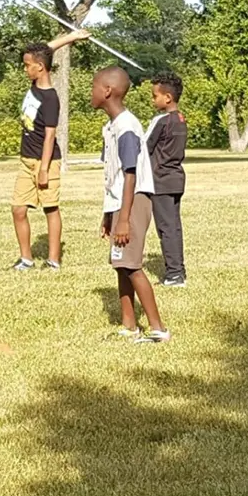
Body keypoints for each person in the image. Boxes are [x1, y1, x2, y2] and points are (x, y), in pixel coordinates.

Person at [94, 66, 169, 343]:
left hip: (133, 202)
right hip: (119, 204)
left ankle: (158, 328)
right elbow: (111, 176)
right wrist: (108, 216)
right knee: (120, 263)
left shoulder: (127, 127)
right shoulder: (111, 126)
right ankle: (129, 325)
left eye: (93, 87)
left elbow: (130, 175)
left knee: (133, 264)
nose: (90, 93)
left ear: (107, 91)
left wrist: (124, 219)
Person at [10, 29, 91, 272]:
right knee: (18, 209)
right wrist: (72, 37)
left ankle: (53, 260)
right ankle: (26, 258)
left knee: (50, 208)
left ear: (40, 68)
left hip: (45, 161)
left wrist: (44, 169)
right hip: (26, 161)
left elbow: (50, 136)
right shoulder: (35, 78)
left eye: (28, 66)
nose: (25, 69)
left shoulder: (50, 99)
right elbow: (47, 49)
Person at [146, 72, 188, 287]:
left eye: (155, 96)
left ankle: (174, 274)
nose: (153, 100)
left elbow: (144, 148)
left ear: (167, 98)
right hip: (175, 178)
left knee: (166, 228)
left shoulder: (161, 120)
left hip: (160, 181)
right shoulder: (180, 119)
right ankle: (179, 270)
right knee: (174, 227)